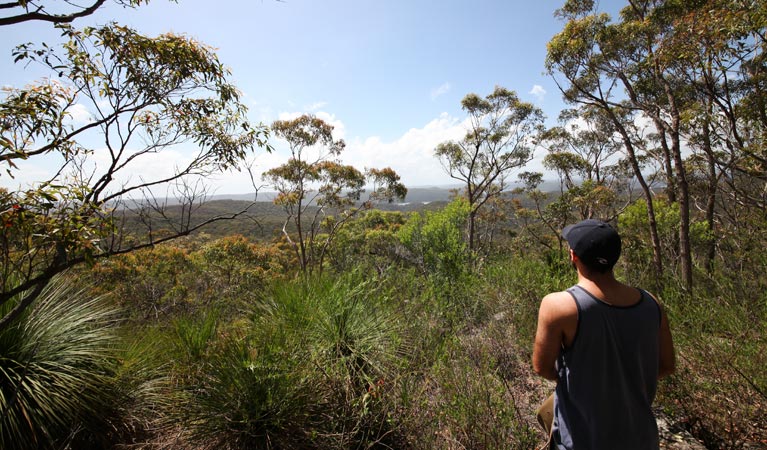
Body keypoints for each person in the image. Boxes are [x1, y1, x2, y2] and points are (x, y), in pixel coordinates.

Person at [532, 219, 675, 450]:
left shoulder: (558, 306)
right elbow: (667, 365)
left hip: (583, 437)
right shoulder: (651, 303)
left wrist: (589, 383)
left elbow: (542, 367)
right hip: (641, 437)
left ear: (573, 256)